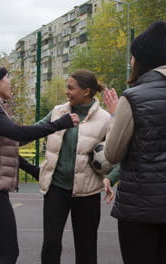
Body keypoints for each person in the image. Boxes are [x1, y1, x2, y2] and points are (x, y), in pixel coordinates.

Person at [0, 63, 79, 264]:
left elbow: (7, 146)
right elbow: (18, 134)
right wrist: (58, 125)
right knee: (9, 252)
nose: (10, 84)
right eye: (7, 78)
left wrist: (32, 170)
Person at [103, 20, 166, 264]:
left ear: (140, 60)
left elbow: (112, 154)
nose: (131, 62)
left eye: (132, 57)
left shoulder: (133, 98)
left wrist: (114, 116)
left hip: (140, 211)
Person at [37, 69, 119, 264]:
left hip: (87, 193)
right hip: (56, 189)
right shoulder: (58, 111)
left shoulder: (106, 119)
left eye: (71, 88)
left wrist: (111, 178)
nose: (66, 91)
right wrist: (5, 134)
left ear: (86, 91)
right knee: (51, 242)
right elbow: (34, 130)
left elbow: (122, 153)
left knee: (86, 246)